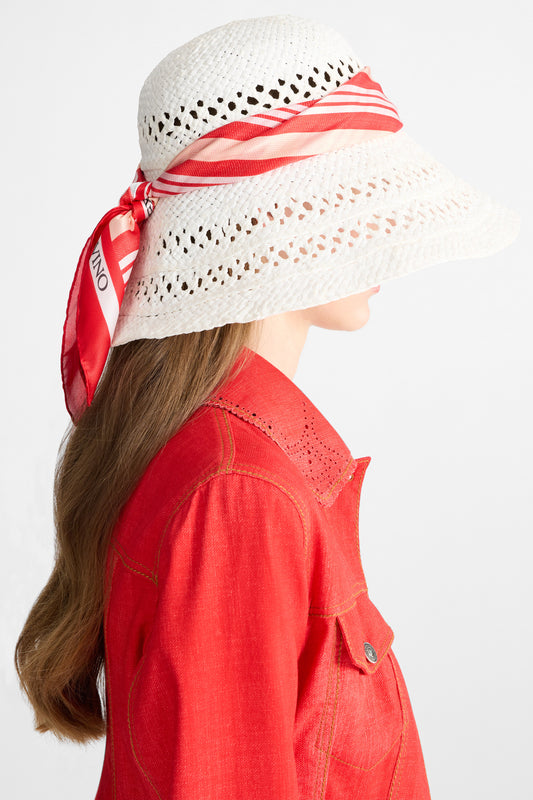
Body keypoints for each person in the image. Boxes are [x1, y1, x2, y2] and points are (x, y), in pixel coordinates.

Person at [14, 13, 520, 800]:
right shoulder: (238, 491)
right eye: (355, 197)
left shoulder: (230, 457)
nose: (381, 225)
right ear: (275, 224)